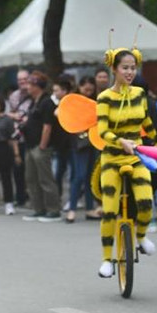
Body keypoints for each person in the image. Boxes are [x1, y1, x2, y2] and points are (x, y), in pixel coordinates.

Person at [95, 47, 157, 278]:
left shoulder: (140, 94)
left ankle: (140, 237)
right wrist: (120, 141)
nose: (130, 72)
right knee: (110, 211)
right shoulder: (104, 98)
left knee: (146, 202)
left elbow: (148, 125)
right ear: (114, 69)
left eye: (133, 68)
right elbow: (102, 131)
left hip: (137, 155)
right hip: (111, 157)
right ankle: (106, 259)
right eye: (125, 68)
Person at [21, 71, 61, 222]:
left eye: (31, 84)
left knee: (45, 178)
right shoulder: (34, 101)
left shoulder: (47, 102)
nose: (28, 87)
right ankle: (38, 208)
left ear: (38, 86)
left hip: (41, 147)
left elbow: (47, 126)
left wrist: (43, 146)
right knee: (31, 178)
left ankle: (53, 209)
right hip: (31, 145)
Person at [67, 79, 99, 223]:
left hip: (94, 141)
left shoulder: (96, 101)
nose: (88, 92)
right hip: (79, 143)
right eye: (85, 89)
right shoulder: (74, 102)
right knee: (79, 175)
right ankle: (72, 209)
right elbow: (62, 116)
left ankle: (89, 209)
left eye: (90, 90)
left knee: (90, 177)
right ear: (79, 88)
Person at [7, 69, 32, 206]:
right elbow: (9, 113)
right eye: (20, 80)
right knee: (17, 169)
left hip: (31, 137)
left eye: (25, 79)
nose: (22, 82)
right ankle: (20, 197)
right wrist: (14, 116)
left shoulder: (35, 93)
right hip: (17, 137)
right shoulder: (14, 96)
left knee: (31, 170)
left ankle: (32, 197)